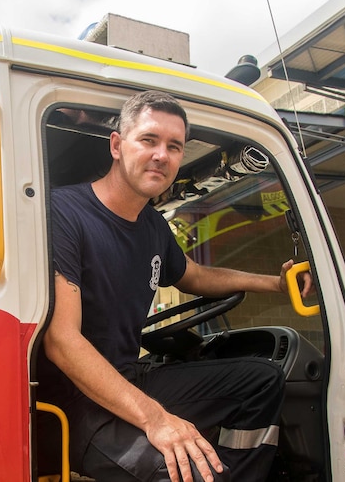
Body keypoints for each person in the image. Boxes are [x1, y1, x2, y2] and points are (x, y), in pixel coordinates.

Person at [37, 90, 313, 482]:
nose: (161, 155)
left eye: (174, 146)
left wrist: (275, 283)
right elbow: (63, 341)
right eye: (148, 140)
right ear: (117, 145)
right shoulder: (64, 212)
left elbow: (196, 276)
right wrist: (157, 420)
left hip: (130, 378)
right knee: (187, 477)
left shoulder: (153, 227)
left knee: (262, 381)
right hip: (76, 402)